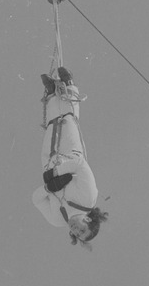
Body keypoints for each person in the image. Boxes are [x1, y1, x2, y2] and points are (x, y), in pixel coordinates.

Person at [31, 66, 108, 250]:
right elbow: (80, 166)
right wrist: (59, 174)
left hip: (49, 161)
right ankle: (68, 85)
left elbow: (36, 199)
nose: (75, 231)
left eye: (76, 235)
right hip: (69, 152)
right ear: (88, 220)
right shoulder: (88, 199)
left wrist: (49, 187)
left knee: (52, 124)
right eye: (81, 231)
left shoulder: (57, 219)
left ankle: (51, 93)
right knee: (67, 119)